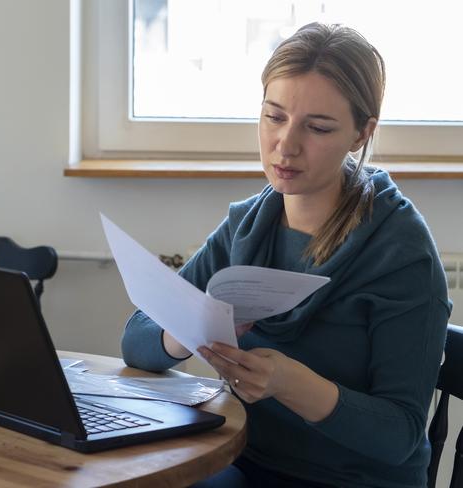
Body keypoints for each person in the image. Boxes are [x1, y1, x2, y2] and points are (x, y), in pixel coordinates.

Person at [121, 22, 451, 488]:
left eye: (317, 128)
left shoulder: (401, 254)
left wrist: (289, 384)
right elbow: (136, 341)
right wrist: (189, 331)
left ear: (362, 134)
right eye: (274, 117)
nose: (286, 145)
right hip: (245, 458)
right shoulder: (250, 225)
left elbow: (399, 434)